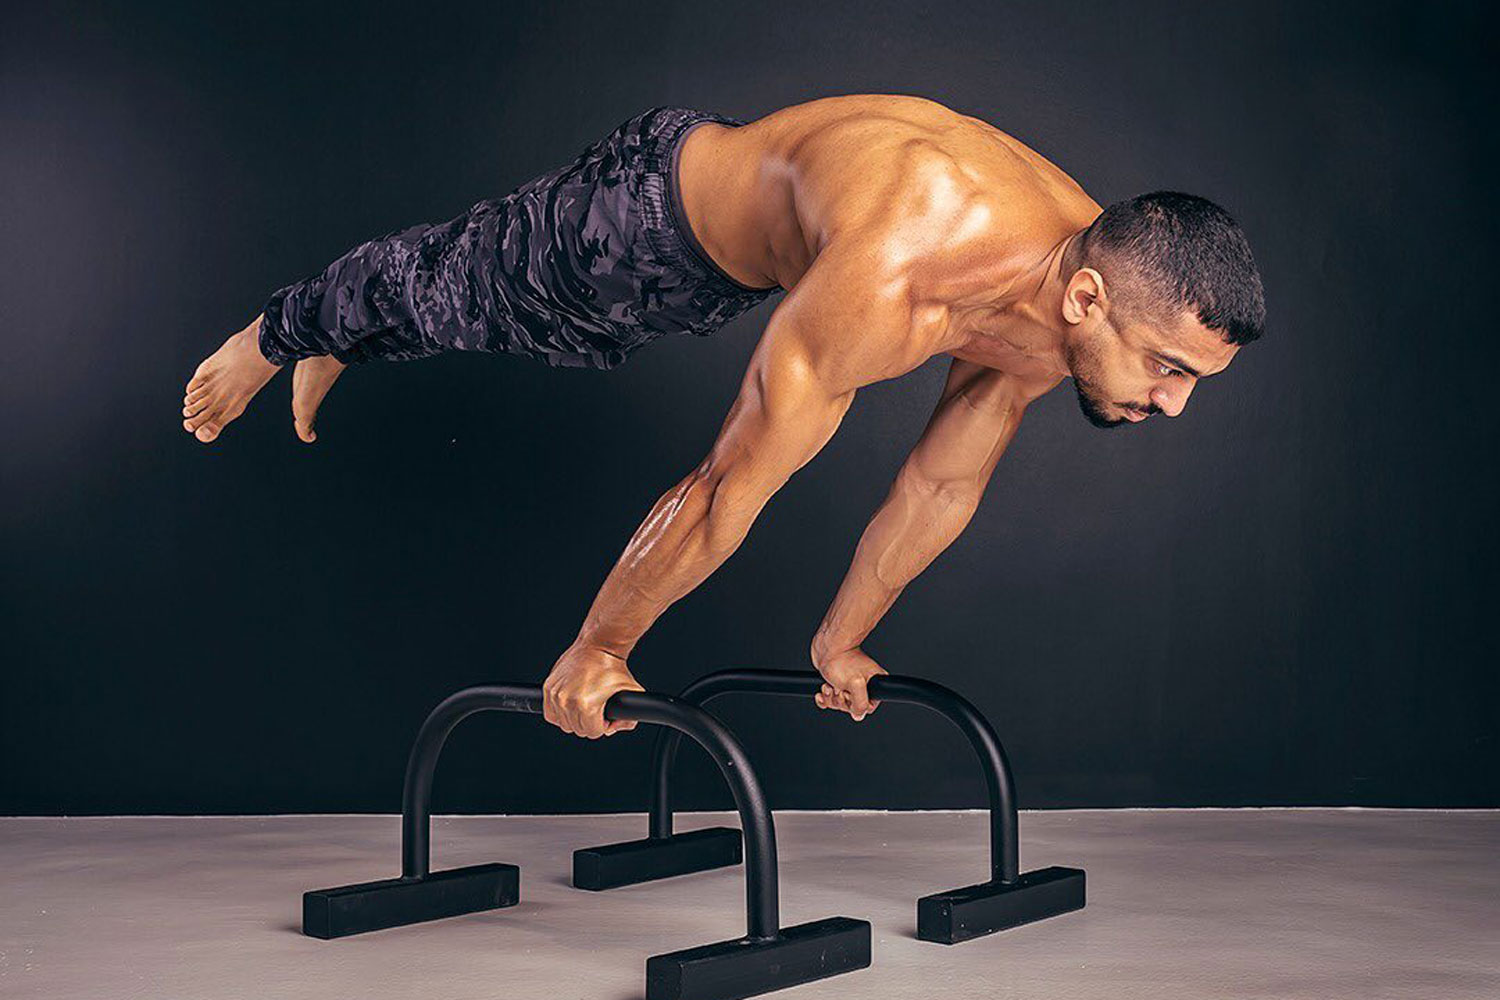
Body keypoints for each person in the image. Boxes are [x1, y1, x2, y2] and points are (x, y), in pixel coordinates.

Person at [181, 95, 1265, 739]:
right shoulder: (907, 266)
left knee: (470, 316)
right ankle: (281, 331)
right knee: (454, 290)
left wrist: (843, 640)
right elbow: (725, 485)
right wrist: (598, 648)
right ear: (1089, 301)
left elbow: (940, 483)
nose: (1170, 404)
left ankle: (338, 335)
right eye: (1168, 368)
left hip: (740, 275)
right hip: (647, 220)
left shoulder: (1070, 298)